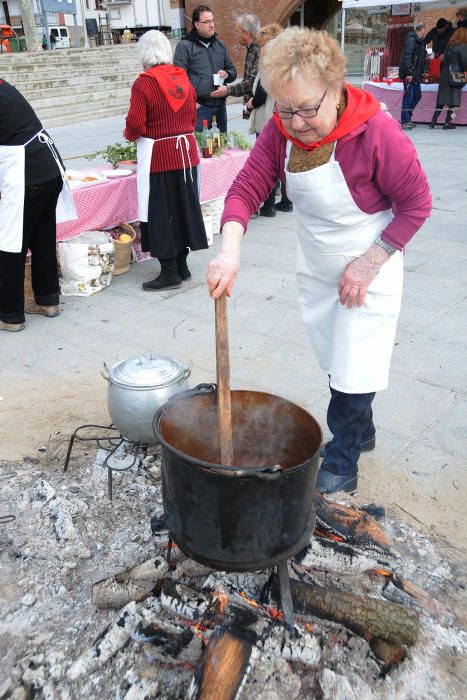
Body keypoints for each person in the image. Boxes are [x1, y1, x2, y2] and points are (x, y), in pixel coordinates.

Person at [206, 28, 432, 495]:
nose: (296, 123)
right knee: (336, 358)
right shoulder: (282, 127)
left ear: (336, 88)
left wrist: (370, 262)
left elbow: (417, 204)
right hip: (316, 259)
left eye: (307, 109)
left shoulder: (378, 132)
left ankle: (344, 458)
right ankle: (361, 427)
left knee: (354, 360)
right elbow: (247, 187)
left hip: (369, 258)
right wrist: (229, 248)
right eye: (285, 110)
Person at [124, 30, 208, 291]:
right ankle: (182, 266)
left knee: (161, 213)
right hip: (186, 155)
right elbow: (193, 113)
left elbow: (135, 125)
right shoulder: (182, 77)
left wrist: (128, 133)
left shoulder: (145, 83)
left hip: (159, 157)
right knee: (183, 209)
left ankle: (170, 271)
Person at [0, 79, 75, 331]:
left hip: (25, 171)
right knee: (42, 237)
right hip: (48, 167)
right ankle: (48, 300)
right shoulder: (3, 86)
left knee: (10, 242)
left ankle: (9, 316)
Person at [246, 23, 293, 217]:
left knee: (268, 163)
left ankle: (269, 205)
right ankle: (287, 201)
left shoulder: (269, 68)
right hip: (285, 120)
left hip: (268, 121)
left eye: (262, 45)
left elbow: (260, 97)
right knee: (284, 160)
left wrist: (249, 104)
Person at [173, 5, 236, 133]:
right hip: (200, 107)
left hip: (220, 106)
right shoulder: (184, 46)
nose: (211, 25)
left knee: (221, 148)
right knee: (202, 148)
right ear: (197, 24)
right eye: (206, 22)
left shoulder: (220, 45)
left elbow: (233, 71)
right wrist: (191, 104)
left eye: (212, 21)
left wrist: (227, 74)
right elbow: (178, 79)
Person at [210, 13, 260, 119]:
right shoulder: (251, 49)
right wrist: (226, 74)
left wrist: (227, 90)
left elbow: (252, 83)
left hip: (261, 111)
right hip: (255, 110)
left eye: (237, 31)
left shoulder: (259, 50)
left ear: (246, 33)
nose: (235, 34)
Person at [430, 27, 467, 129]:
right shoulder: (462, 47)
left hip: (445, 74)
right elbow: (465, 63)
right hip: (456, 75)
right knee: (454, 100)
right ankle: (447, 122)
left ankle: (433, 121)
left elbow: (443, 60)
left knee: (441, 100)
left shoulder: (449, 47)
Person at [398, 22, 428, 130]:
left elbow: (421, 57)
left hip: (416, 74)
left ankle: (408, 117)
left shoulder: (420, 42)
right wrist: (409, 73)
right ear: (423, 29)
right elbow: (407, 57)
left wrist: (424, 70)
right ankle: (405, 120)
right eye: (426, 30)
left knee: (417, 96)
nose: (426, 32)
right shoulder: (411, 40)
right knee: (408, 97)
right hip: (410, 74)